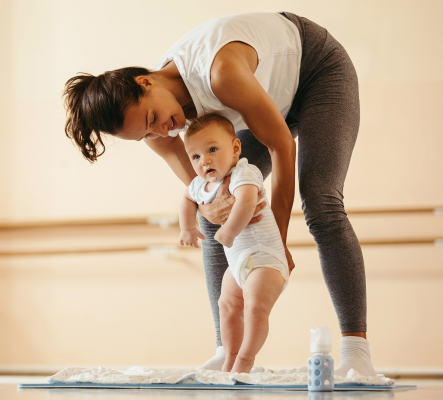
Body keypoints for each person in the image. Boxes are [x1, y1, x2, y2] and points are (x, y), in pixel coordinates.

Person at [62, 11, 377, 376]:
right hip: (266, 100)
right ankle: (224, 349)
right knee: (212, 212)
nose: (161, 133)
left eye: (152, 120)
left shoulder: (220, 73)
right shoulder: (158, 134)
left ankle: (357, 352)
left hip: (317, 72)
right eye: (146, 135)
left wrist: (275, 246)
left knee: (320, 202)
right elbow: (204, 195)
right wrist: (214, 211)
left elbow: (281, 145)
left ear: (146, 82)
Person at [179, 113, 289, 373]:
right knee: (226, 306)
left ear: (235, 148)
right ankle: (229, 358)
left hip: (265, 259)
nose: (204, 160)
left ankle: (246, 360)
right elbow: (186, 198)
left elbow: (247, 202)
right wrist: (188, 227)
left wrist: (228, 231)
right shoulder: (201, 185)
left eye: (212, 150)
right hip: (239, 264)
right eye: (195, 156)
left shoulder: (244, 172)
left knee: (255, 306)